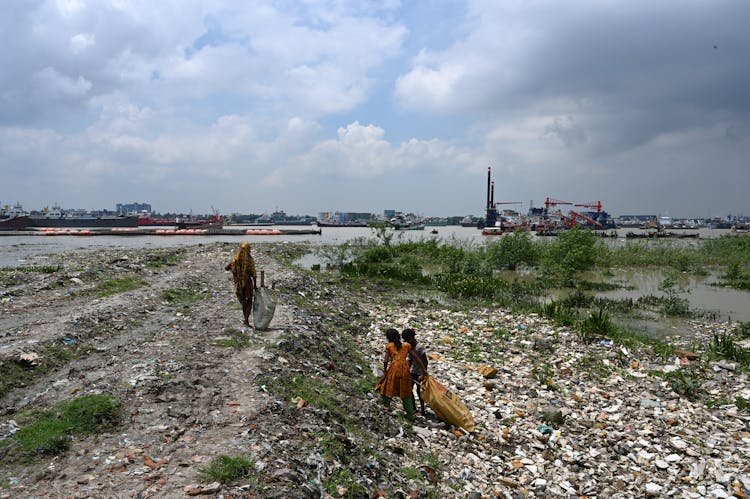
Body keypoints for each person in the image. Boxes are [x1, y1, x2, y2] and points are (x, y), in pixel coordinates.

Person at [375, 328, 426, 420]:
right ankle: (410, 414)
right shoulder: (406, 345)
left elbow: (386, 360)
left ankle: (386, 406)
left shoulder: (389, 346)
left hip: (394, 369)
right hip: (405, 371)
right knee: (406, 392)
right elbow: (417, 358)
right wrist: (424, 370)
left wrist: (385, 370)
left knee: (386, 387)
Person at [225, 242, 257, 326]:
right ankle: (246, 320)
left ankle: (245, 319)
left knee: (243, 302)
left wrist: (233, 266)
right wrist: (255, 286)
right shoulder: (249, 260)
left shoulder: (235, 259)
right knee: (249, 301)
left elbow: (226, 268)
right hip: (247, 284)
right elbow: (253, 273)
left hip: (238, 284)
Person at [402, 328, 428, 416]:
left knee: (419, 391)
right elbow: (410, 360)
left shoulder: (419, 347)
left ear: (411, 338)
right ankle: (414, 408)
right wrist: (406, 370)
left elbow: (425, 361)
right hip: (412, 371)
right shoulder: (410, 347)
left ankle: (423, 409)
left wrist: (424, 373)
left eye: (407, 340)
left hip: (420, 372)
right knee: (409, 390)